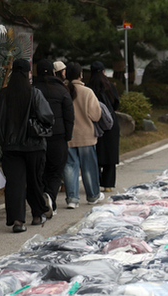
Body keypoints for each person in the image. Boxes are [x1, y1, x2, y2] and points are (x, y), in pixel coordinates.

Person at [0, 58, 55, 233]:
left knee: (14, 184)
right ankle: (37, 214)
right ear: (28, 73)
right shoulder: (34, 93)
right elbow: (48, 117)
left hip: (10, 148)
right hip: (34, 146)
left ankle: (17, 221)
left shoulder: (3, 95)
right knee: (35, 181)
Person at [33, 59, 75, 216]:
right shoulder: (62, 90)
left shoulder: (33, 89)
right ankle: (50, 196)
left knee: (40, 171)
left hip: (37, 136)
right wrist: (67, 135)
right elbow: (69, 116)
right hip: (58, 136)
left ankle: (43, 198)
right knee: (56, 171)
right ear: (53, 72)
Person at [63, 62, 103, 209]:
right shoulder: (87, 92)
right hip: (86, 135)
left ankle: (72, 198)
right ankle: (92, 195)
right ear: (80, 75)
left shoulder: (64, 90)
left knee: (69, 167)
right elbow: (96, 115)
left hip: (69, 136)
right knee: (89, 166)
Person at [88, 61, 120, 192]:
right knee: (110, 153)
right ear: (103, 72)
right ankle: (108, 184)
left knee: (95, 153)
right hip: (110, 123)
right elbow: (116, 104)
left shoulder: (88, 88)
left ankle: (95, 182)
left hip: (93, 123)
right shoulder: (110, 87)